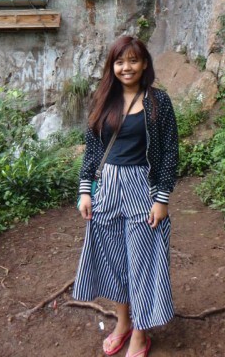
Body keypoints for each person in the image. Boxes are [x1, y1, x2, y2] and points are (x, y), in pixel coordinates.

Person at [73, 36, 179, 357]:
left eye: (133, 60)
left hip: (141, 189)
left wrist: (161, 198)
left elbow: (170, 153)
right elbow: (92, 148)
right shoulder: (104, 99)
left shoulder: (158, 102)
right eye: (120, 62)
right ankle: (123, 323)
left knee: (142, 264)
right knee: (115, 261)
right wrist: (85, 191)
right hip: (107, 189)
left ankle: (140, 334)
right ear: (112, 66)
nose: (126, 67)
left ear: (144, 63)